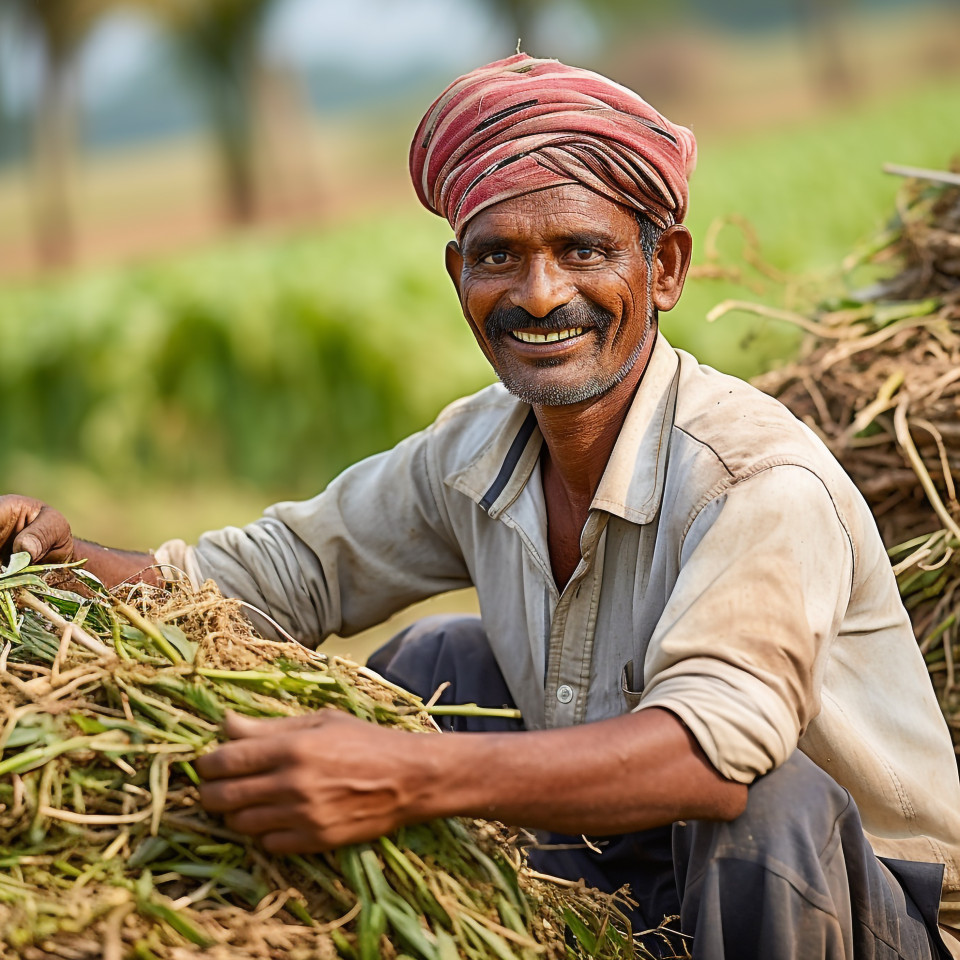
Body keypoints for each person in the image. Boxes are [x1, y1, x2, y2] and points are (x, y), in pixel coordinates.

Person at [2, 55, 959, 959]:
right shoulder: (476, 448)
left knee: (762, 802)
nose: (540, 295)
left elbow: (714, 758)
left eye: (583, 250)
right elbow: (268, 580)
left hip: (857, 909)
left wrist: (401, 776)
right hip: (639, 872)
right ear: (459, 277)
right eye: (500, 257)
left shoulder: (754, 481)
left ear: (664, 268)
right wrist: (54, 553)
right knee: (439, 662)